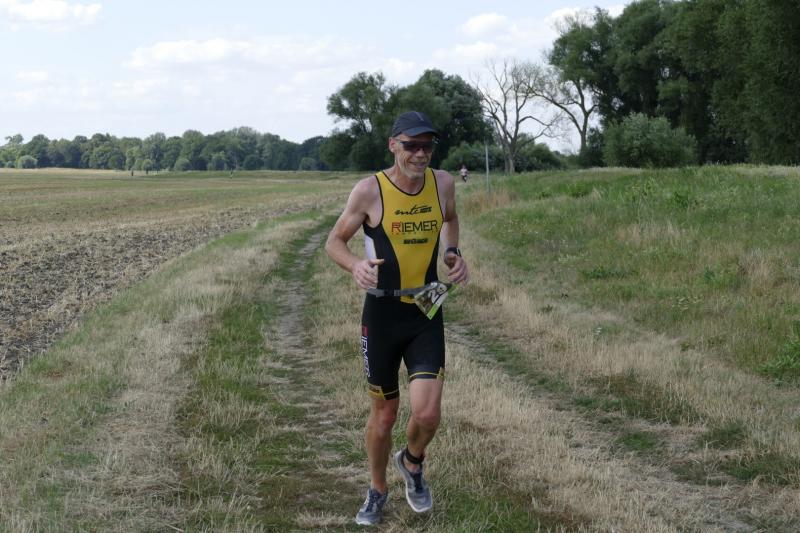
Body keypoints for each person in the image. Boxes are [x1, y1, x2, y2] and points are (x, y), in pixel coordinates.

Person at [325, 110, 469, 526]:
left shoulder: (443, 183)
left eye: (428, 146)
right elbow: (334, 241)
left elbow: (451, 219)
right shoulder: (370, 190)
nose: (420, 154)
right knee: (385, 414)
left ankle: (412, 461)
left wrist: (452, 252)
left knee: (427, 414)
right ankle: (377, 489)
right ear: (393, 146)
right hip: (382, 313)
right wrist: (355, 265)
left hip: (426, 307)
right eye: (411, 146)